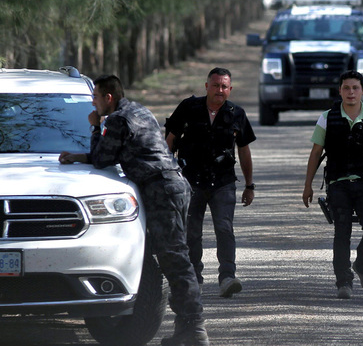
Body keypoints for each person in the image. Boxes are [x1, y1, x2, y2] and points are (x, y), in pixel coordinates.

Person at [59, 75, 208, 346]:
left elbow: (104, 158)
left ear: (108, 98)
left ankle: (195, 329)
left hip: (161, 190)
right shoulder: (138, 110)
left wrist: (95, 127)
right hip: (172, 186)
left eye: (95, 98)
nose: (93, 104)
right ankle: (186, 328)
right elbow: (117, 152)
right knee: (175, 258)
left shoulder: (115, 120)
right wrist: (80, 156)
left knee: (175, 259)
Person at [302, 70, 363, 299]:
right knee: (341, 231)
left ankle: (362, 266)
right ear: (340, 91)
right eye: (346, 88)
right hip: (338, 183)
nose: (351, 92)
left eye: (355, 88)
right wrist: (308, 185)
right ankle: (344, 281)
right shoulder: (328, 117)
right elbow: (315, 153)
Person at [165, 67, 256, 299]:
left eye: (224, 86)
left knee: (224, 229)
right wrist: (165, 176)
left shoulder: (237, 114)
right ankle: (194, 278)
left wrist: (249, 185)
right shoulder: (189, 108)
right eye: (215, 85)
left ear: (230, 89)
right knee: (191, 232)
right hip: (190, 181)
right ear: (207, 86)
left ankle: (227, 277)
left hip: (223, 182)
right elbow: (170, 141)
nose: (220, 90)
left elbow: (244, 151)